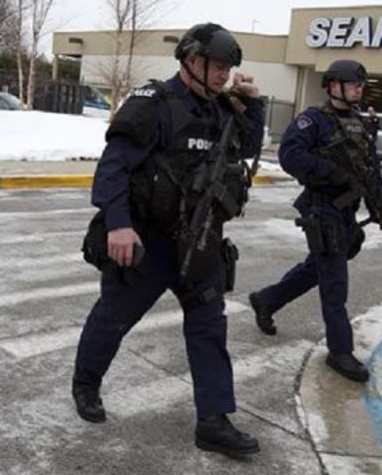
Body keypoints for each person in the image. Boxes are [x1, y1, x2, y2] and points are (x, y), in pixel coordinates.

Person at [73, 23, 265, 457]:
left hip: (200, 241)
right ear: (190, 60)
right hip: (148, 239)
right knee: (114, 317)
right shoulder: (153, 105)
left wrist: (253, 104)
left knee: (209, 326)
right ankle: (86, 384)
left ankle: (213, 420)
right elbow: (113, 169)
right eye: (217, 66)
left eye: (228, 67)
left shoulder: (222, 109)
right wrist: (119, 224)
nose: (223, 74)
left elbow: (251, 143)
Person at [247, 59, 382, 383]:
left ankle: (266, 300)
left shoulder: (358, 123)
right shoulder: (314, 121)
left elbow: (370, 165)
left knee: (320, 268)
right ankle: (340, 351)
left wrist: (377, 200)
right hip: (321, 209)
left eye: (361, 84)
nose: (359, 89)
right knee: (335, 280)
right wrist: (331, 173)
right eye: (354, 83)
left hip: (346, 210)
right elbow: (290, 155)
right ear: (333, 85)